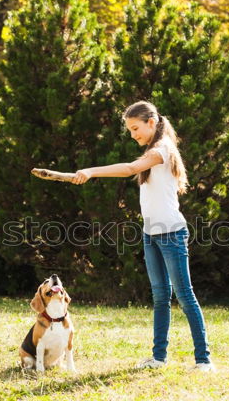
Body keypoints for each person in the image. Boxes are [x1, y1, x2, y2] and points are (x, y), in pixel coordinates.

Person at [71, 100, 214, 372]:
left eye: (136, 128)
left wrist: (91, 171)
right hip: (151, 234)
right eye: (130, 130)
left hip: (171, 233)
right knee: (160, 297)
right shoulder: (152, 150)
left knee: (184, 296)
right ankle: (158, 358)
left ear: (151, 122)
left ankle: (203, 360)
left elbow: (127, 169)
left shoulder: (162, 149)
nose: (133, 134)